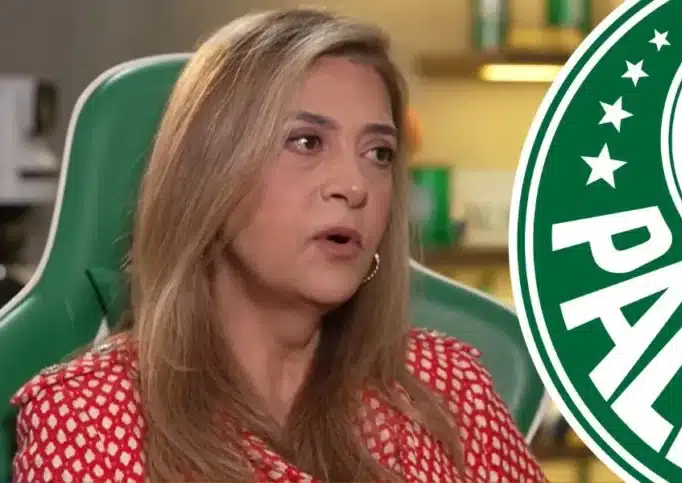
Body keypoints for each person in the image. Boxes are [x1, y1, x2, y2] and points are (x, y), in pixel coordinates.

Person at [9, 8, 546, 483]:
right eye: (306, 142)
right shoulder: (93, 416)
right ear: (208, 179)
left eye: (378, 153)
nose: (355, 186)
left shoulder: (449, 389)